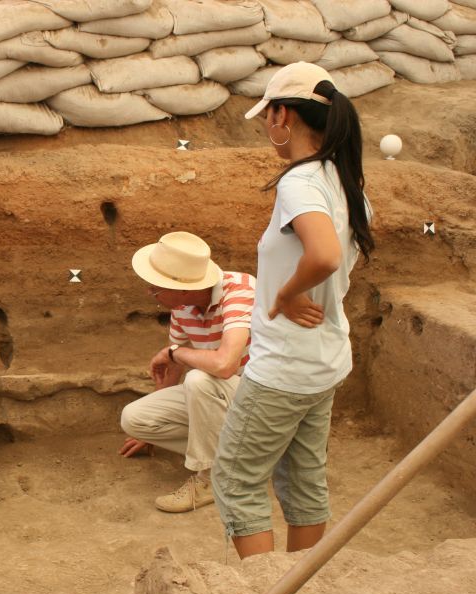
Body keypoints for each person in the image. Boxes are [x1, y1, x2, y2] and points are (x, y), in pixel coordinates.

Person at [211, 62, 375, 558]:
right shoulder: (348, 183)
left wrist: (285, 293)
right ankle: (299, 590)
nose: (266, 127)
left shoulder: (300, 182)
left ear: (283, 114)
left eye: (268, 116)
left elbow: (323, 255)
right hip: (323, 361)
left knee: (236, 480)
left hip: (283, 367)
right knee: (303, 482)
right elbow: (342, 259)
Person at [119, 231, 255, 513]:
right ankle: (241, 463)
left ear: (181, 288)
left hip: (260, 398)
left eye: (156, 288)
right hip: (227, 398)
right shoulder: (184, 305)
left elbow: (224, 364)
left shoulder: (241, 291)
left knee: (201, 379)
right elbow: (174, 364)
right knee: (135, 419)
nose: (150, 292)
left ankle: (210, 479)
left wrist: (174, 352)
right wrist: (151, 432)